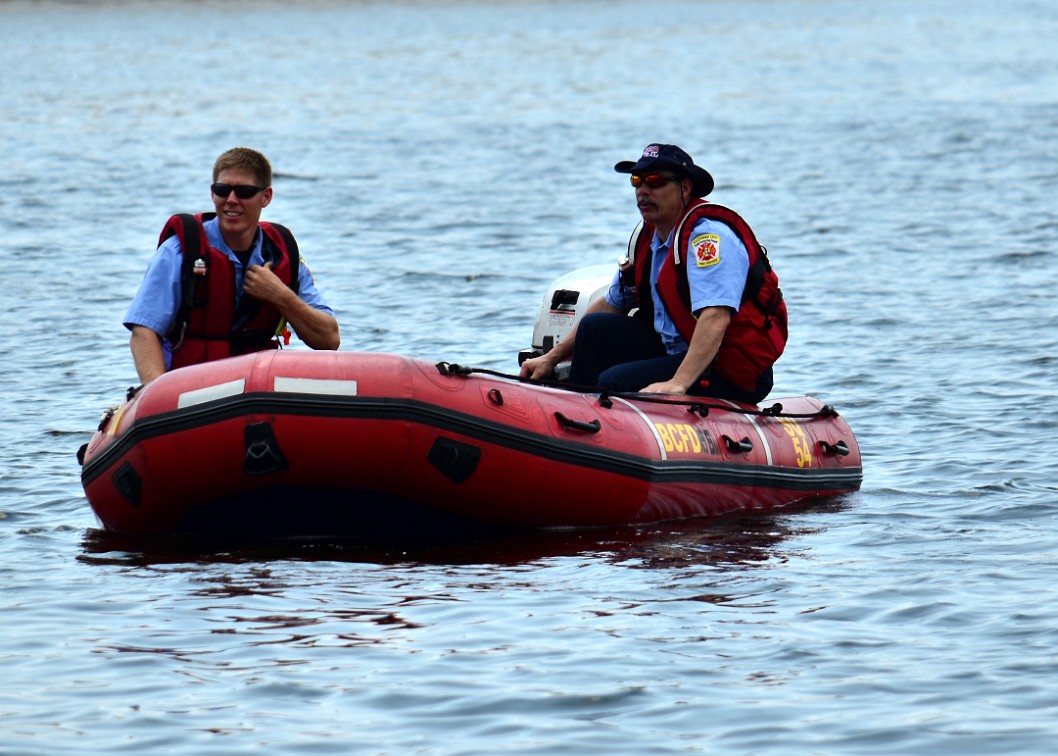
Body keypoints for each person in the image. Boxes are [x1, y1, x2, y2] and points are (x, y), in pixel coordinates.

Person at [519, 143, 787, 404]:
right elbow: (612, 303)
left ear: (685, 187)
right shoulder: (648, 237)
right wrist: (551, 358)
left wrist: (677, 383)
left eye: (656, 181)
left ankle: (598, 427)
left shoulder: (707, 239)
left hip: (727, 367)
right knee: (594, 328)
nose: (643, 191)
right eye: (637, 181)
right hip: (673, 348)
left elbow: (715, 317)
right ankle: (571, 416)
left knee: (614, 380)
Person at [125, 147, 340, 385]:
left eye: (244, 192)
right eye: (222, 190)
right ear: (212, 193)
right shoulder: (178, 252)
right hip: (188, 390)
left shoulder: (282, 254)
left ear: (266, 197)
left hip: (256, 390)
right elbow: (143, 333)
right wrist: (160, 401)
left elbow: (329, 340)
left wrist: (280, 295)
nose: (231, 200)